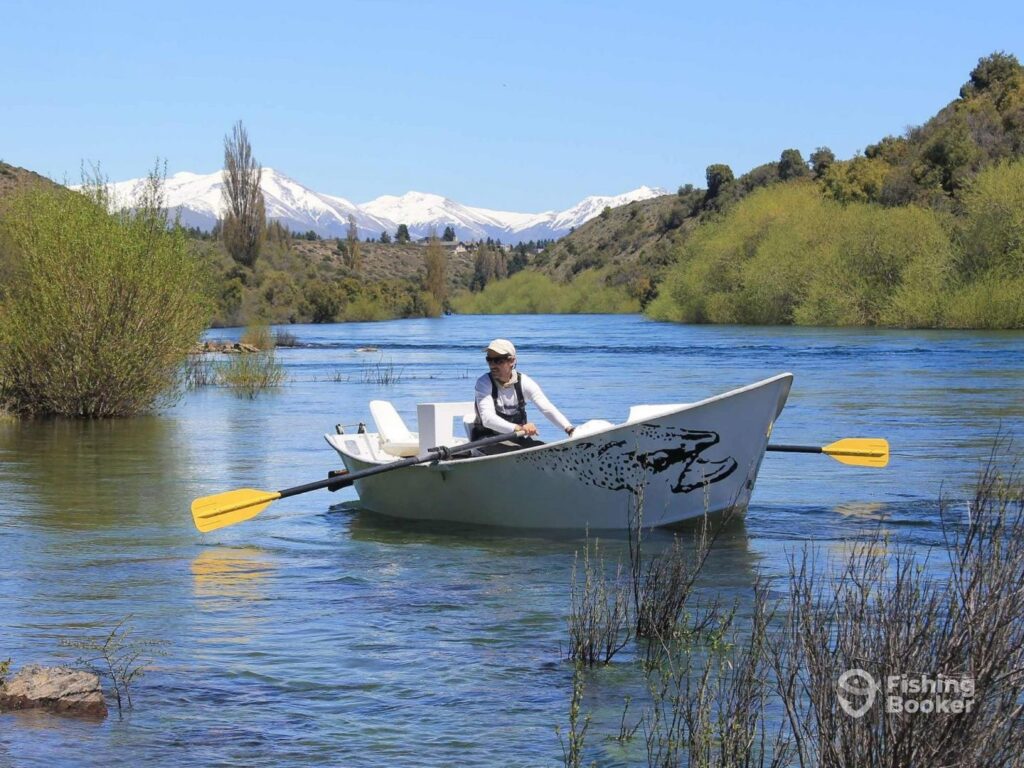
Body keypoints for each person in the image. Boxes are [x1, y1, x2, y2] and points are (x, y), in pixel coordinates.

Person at [471, 339, 575, 453]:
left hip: (517, 438)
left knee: (548, 451)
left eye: (498, 360)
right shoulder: (484, 383)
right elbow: (487, 419)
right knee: (516, 452)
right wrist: (519, 428)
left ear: (512, 361)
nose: (492, 365)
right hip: (486, 439)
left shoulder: (524, 382)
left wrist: (569, 429)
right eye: (489, 360)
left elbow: (547, 408)